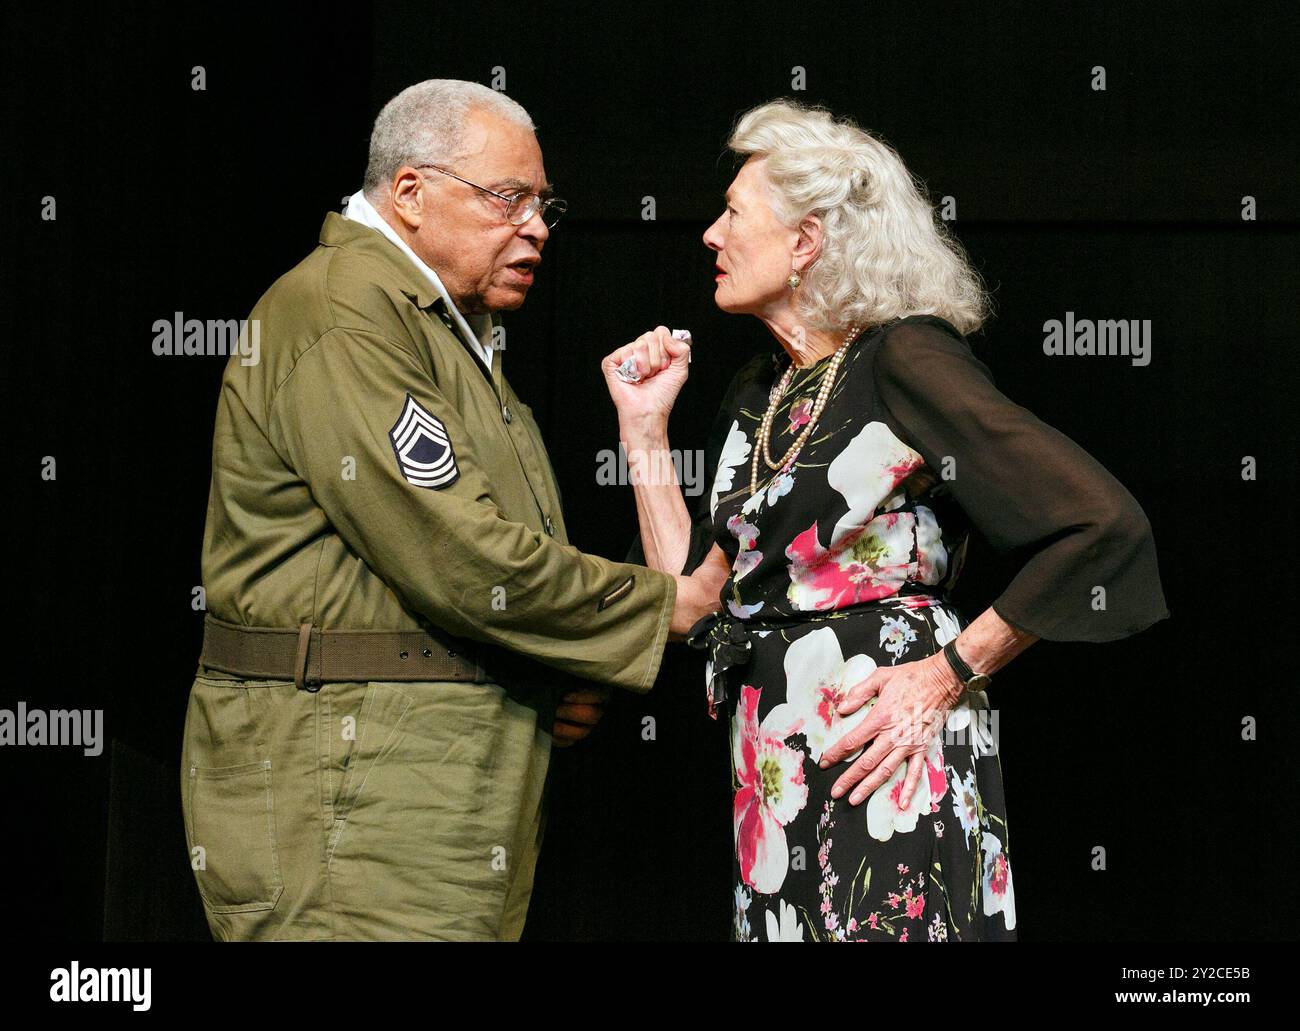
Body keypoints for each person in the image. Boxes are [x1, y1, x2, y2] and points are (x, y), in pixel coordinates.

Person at [603, 98, 1169, 941]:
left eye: (733, 214)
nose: (710, 236)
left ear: (806, 241)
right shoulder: (760, 392)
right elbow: (689, 604)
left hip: (886, 746)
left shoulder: (903, 357)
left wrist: (947, 672)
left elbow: (1102, 522)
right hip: (776, 760)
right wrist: (643, 429)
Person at [181, 79, 724, 942]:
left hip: (421, 796)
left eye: (544, 205)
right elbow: (461, 555)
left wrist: (559, 673)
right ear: (410, 192)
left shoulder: (439, 327)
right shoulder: (347, 313)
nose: (537, 226)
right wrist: (663, 607)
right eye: (509, 199)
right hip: (355, 805)